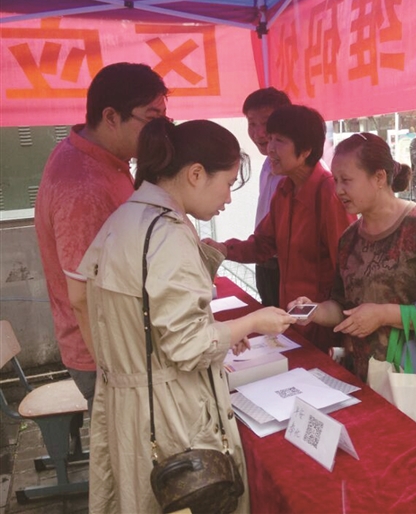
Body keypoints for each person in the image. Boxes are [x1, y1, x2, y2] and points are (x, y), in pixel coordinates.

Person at [78, 118, 296, 513]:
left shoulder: (124, 218)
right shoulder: (167, 233)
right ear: (196, 174)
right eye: (227, 183)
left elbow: (136, 313)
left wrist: (220, 330)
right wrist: (252, 322)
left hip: (131, 403)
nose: (228, 198)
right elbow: (187, 346)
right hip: (167, 414)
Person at [34, 62, 169, 411]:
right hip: (107, 356)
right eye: (152, 119)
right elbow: (82, 296)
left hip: (120, 344)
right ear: (111, 117)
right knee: (130, 440)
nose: (161, 130)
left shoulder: (100, 157)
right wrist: (114, 376)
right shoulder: (83, 186)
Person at [288, 133, 416, 381]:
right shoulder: (349, 239)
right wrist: (316, 311)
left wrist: (384, 315)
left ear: (379, 178)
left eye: (346, 180)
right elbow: (344, 307)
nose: (338, 190)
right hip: (367, 379)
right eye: (336, 180)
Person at [206, 105, 356, 352]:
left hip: (324, 326)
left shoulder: (329, 193)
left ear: (305, 151)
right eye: (271, 138)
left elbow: (348, 267)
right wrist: (223, 249)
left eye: (280, 141)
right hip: (292, 319)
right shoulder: (284, 189)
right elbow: (264, 244)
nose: (270, 147)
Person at [243, 87, 292, 307]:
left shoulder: (302, 175)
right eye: (252, 124)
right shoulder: (266, 165)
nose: (258, 133)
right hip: (264, 262)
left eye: (265, 123)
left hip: (289, 269)